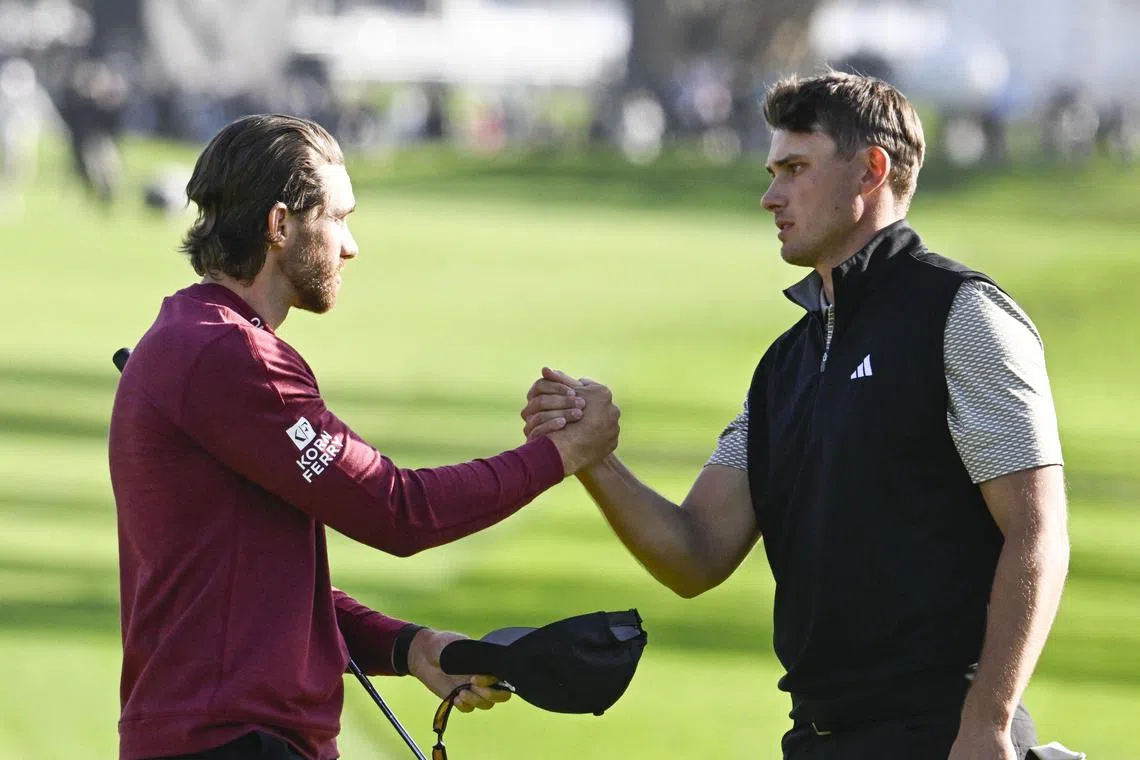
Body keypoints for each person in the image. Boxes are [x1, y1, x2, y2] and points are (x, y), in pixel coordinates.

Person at [522, 72, 1070, 760]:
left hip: (943, 736)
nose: (769, 195)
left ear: (871, 171)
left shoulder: (961, 315)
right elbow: (696, 552)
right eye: (772, 171)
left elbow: (1038, 532)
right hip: (817, 739)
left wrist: (987, 724)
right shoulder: (786, 364)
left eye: (794, 169)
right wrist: (592, 458)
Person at [107, 114, 619, 760]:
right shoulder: (227, 355)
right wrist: (564, 452)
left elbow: (266, 595)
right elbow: (400, 511)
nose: (352, 246)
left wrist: (410, 647)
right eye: (339, 218)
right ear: (280, 225)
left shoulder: (198, 339)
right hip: (230, 743)